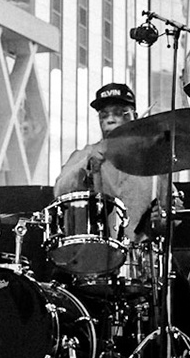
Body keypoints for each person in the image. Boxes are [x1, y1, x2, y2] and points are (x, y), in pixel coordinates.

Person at [53, 82, 160, 241]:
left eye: (118, 113)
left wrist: (163, 218)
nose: (110, 120)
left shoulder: (153, 159)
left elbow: (173, 209)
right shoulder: (85, 154)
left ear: (135, 117)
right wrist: (87, 164)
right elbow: (59, 192)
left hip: (142, 256)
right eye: (104, 115)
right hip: (96, 255)